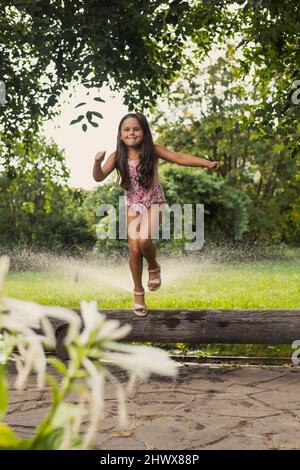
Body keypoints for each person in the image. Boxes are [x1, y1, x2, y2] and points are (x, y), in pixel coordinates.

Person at [92, 112, 220, 317]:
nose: (131, 133)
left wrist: (206, 163)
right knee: (134, 250)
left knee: (144, 241)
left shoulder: (153, 150)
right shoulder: (117, 156)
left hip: (154, 203)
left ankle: (153, 266)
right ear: (120, 133)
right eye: (126, 129)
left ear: (144, 131)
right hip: (132, 206)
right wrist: (97, 162)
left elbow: (179, 158)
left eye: (136, 129)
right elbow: (99, 177)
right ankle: (138, 292)